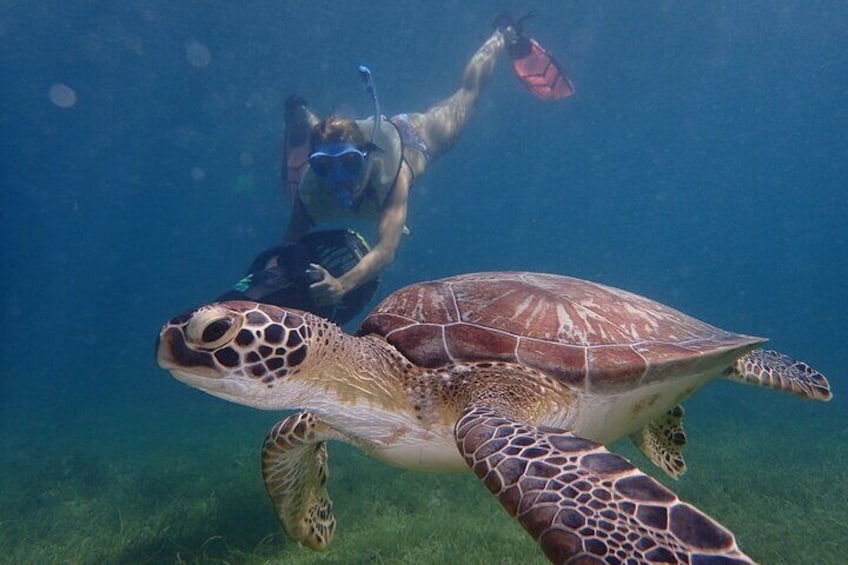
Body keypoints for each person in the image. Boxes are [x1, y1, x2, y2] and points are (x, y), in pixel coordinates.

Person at [226, 13, 573, 322]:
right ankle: (301, 113)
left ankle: (500, 37)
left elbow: (386, 249)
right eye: (324, 167)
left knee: (465, 97)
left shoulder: (392, 174)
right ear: (313, 166)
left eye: (349, 164)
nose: (338, 180)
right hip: (355, 141)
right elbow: (290, 244)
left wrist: (341, 285)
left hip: (415, 136)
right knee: (321, 138)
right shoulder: (310, 190)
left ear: (365, 155)